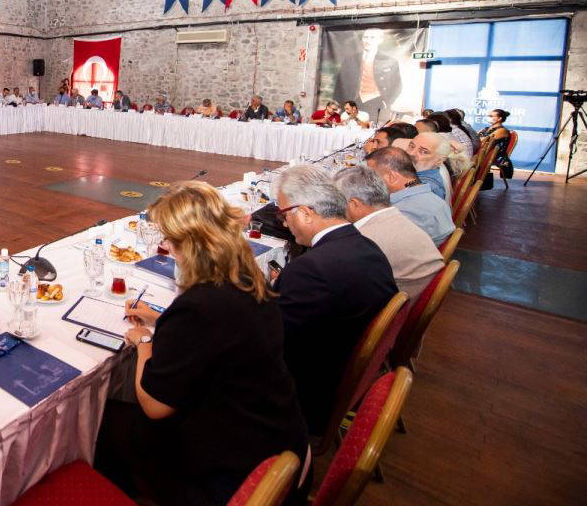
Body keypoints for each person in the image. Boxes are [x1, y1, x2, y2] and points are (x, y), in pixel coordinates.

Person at [97, 181, 309, 505]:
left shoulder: (199, 307)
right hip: (276, 439)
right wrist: (162, 319)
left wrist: (144, 341)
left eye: (169, 239)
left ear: (189, 245)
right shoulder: (247, 277)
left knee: (104, 422)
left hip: (226, 469)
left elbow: (155, 405)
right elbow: (216, 337)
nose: (166, 247)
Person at [271, 165, 397, 433]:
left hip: (304, 394)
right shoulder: (367, 246)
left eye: (284, 214)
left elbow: (270, 340)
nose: (284, 223)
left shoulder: (311, 269)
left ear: (305, 213)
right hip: (341, 371)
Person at [333, 165, 444, 301]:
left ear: (354, 204)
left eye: (337, 203)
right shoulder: (398, 215)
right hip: (415, 292)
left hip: (398, 303)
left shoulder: (362, 241)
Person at [365, 147, 455, 245]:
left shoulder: (403, 213)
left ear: (391, 177)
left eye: (371, 176)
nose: (367, 182)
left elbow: (371, 244)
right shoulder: (426, 195)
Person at [333, 27, 401, 121]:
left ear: (380, 40)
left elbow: (397, 86)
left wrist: (387, 102)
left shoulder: (390, 61)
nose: (368, 40)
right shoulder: (349, 60)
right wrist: (341, 103)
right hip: (352, 102)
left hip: (376, 103)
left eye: (372, 37)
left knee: (372, 128)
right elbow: (339, 84)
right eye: (365, 37)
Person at [407, 132, 450, 201]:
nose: (411, 153)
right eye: (412, 146)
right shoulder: (417, 172)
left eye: (424, 151)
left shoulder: (427, 188)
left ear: (439, 160)